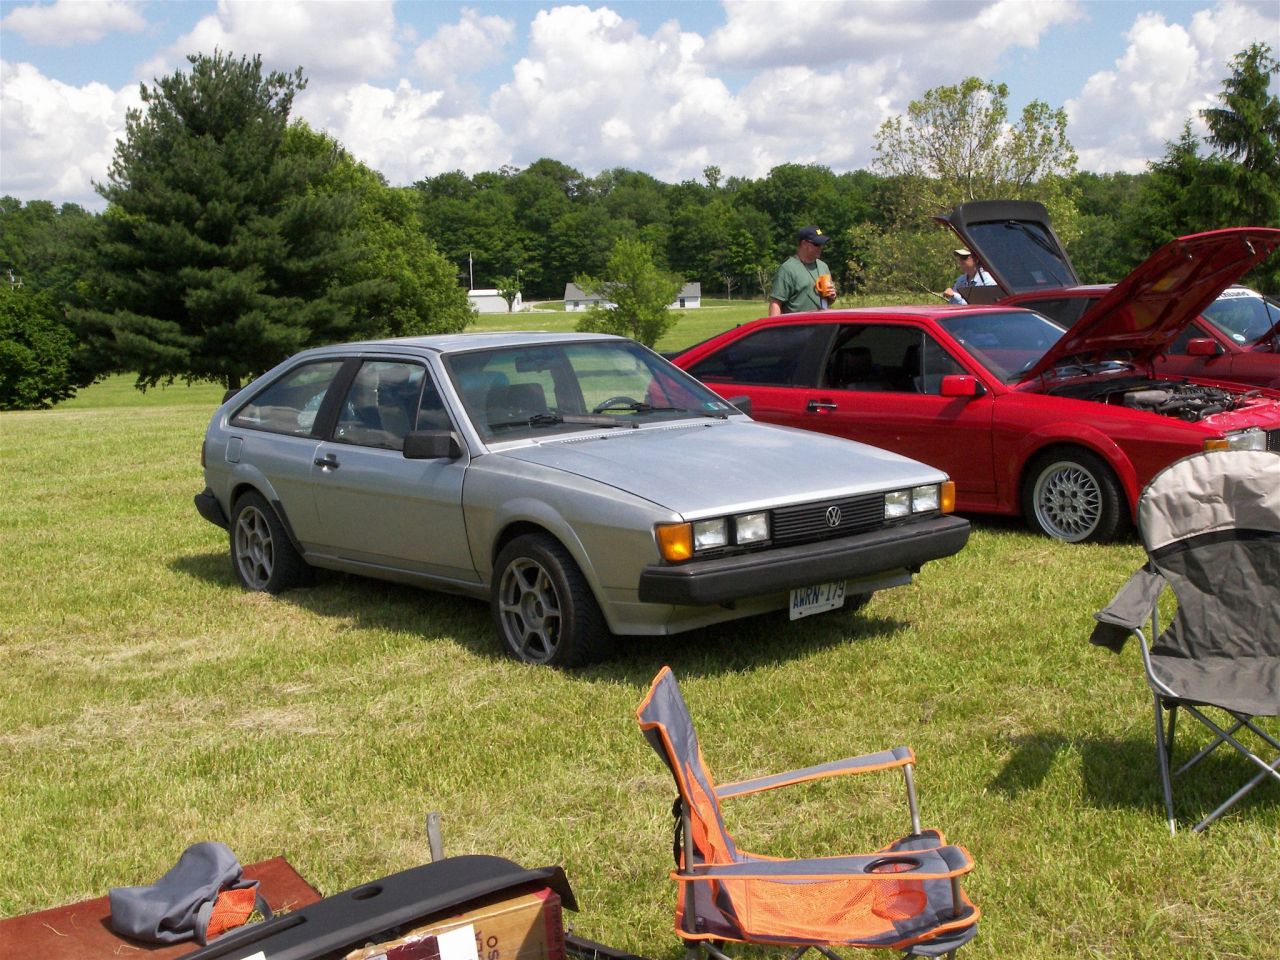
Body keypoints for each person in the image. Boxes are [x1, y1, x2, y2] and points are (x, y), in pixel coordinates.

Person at [768, 226, 836, 315]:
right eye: (817, 244)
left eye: (822, 244)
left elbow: (827, 301)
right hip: (797, 327)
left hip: (821, 325)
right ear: (804, 244)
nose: (821, 247)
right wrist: (775, 328)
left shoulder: (823, 266)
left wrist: (832, 296)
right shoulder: (787, 269)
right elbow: (775, 303)